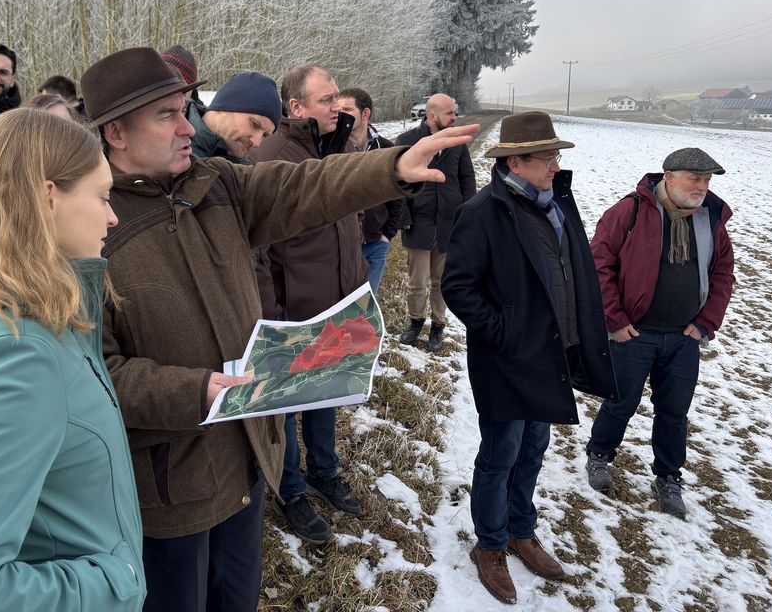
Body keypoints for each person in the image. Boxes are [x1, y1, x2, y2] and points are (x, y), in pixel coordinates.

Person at [79, 46, 477, 612]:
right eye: (167, 115)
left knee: (238, 598)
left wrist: (391, 168)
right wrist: (196, 391)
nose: (188, 126)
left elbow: (304, 186)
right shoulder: (87, 223)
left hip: (247, 460)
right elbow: (95, 374)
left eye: (185, 108)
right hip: (167, 488)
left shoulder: (216, 183)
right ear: (115, 132)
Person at [0, 109, 145, 611]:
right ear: (47, 196)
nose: (113, 217)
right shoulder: (17, 355)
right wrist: (116, 582)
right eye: (103, 197)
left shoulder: (33, 316)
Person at [441, 112, 617, 606]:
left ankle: (521, 531)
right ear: (515, 162)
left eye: (556, 156)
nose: (556, 166)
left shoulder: (555, 204)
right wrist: (506, 332)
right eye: (547, 158)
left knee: (534, 448)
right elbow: (458, 287)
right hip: (507, 359)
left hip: (550, 354)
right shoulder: (482, 212)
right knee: (500, 454)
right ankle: (490, 544)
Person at [584, 147, 734, 519]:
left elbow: (722, 273)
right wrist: (615, 320)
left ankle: (668, 476)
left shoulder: (710, 218)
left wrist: (706, 323)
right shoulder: (630, 211)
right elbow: (598, 266)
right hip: (634, 334)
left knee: (674, 412)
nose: (702, 187)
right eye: (694, 178)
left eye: (706, 180)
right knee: (621, 402)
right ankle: (599, 455)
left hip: (684, 338)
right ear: (668, 176)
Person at [251, 64, 366, 544]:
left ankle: (324, 472)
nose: (337, 106)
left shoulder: (335, 149)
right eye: (326, 99)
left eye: (337, 96)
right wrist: (275, 314)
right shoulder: (274, 159)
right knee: (287, 407)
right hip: (293, 314)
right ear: (296, 107)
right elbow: (261, 250)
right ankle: (291, 490)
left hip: (338, 305)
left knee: (327, 394)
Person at [396, 92, 476, 350]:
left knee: (441, 281)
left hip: (448, 224)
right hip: (418, 223)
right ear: (432, 116)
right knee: (417, 282)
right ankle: (415, 322)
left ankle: (438, 325)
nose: (455, 117)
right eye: (450, 113)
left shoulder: (457, 143)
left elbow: (467, 178)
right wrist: (404, 216)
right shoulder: (407, 141)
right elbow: (396, 183)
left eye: (455, 112)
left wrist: (467, 216)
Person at [338, 87, 404, 295]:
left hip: (376, 243)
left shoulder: (385, 148)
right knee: (343, 304)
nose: (340, 115)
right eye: (338, 109)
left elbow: (397, 196)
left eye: (347, 109)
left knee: (366, 305)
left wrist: (387, 235)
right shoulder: (333, 149)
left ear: (365, 113)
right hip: (345, 247)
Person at [188, 71, 281, 162]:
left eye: (264, 135)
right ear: (225, 106)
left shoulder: (244, 170)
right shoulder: (180, 155)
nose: (257, 143)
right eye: (254, 124)